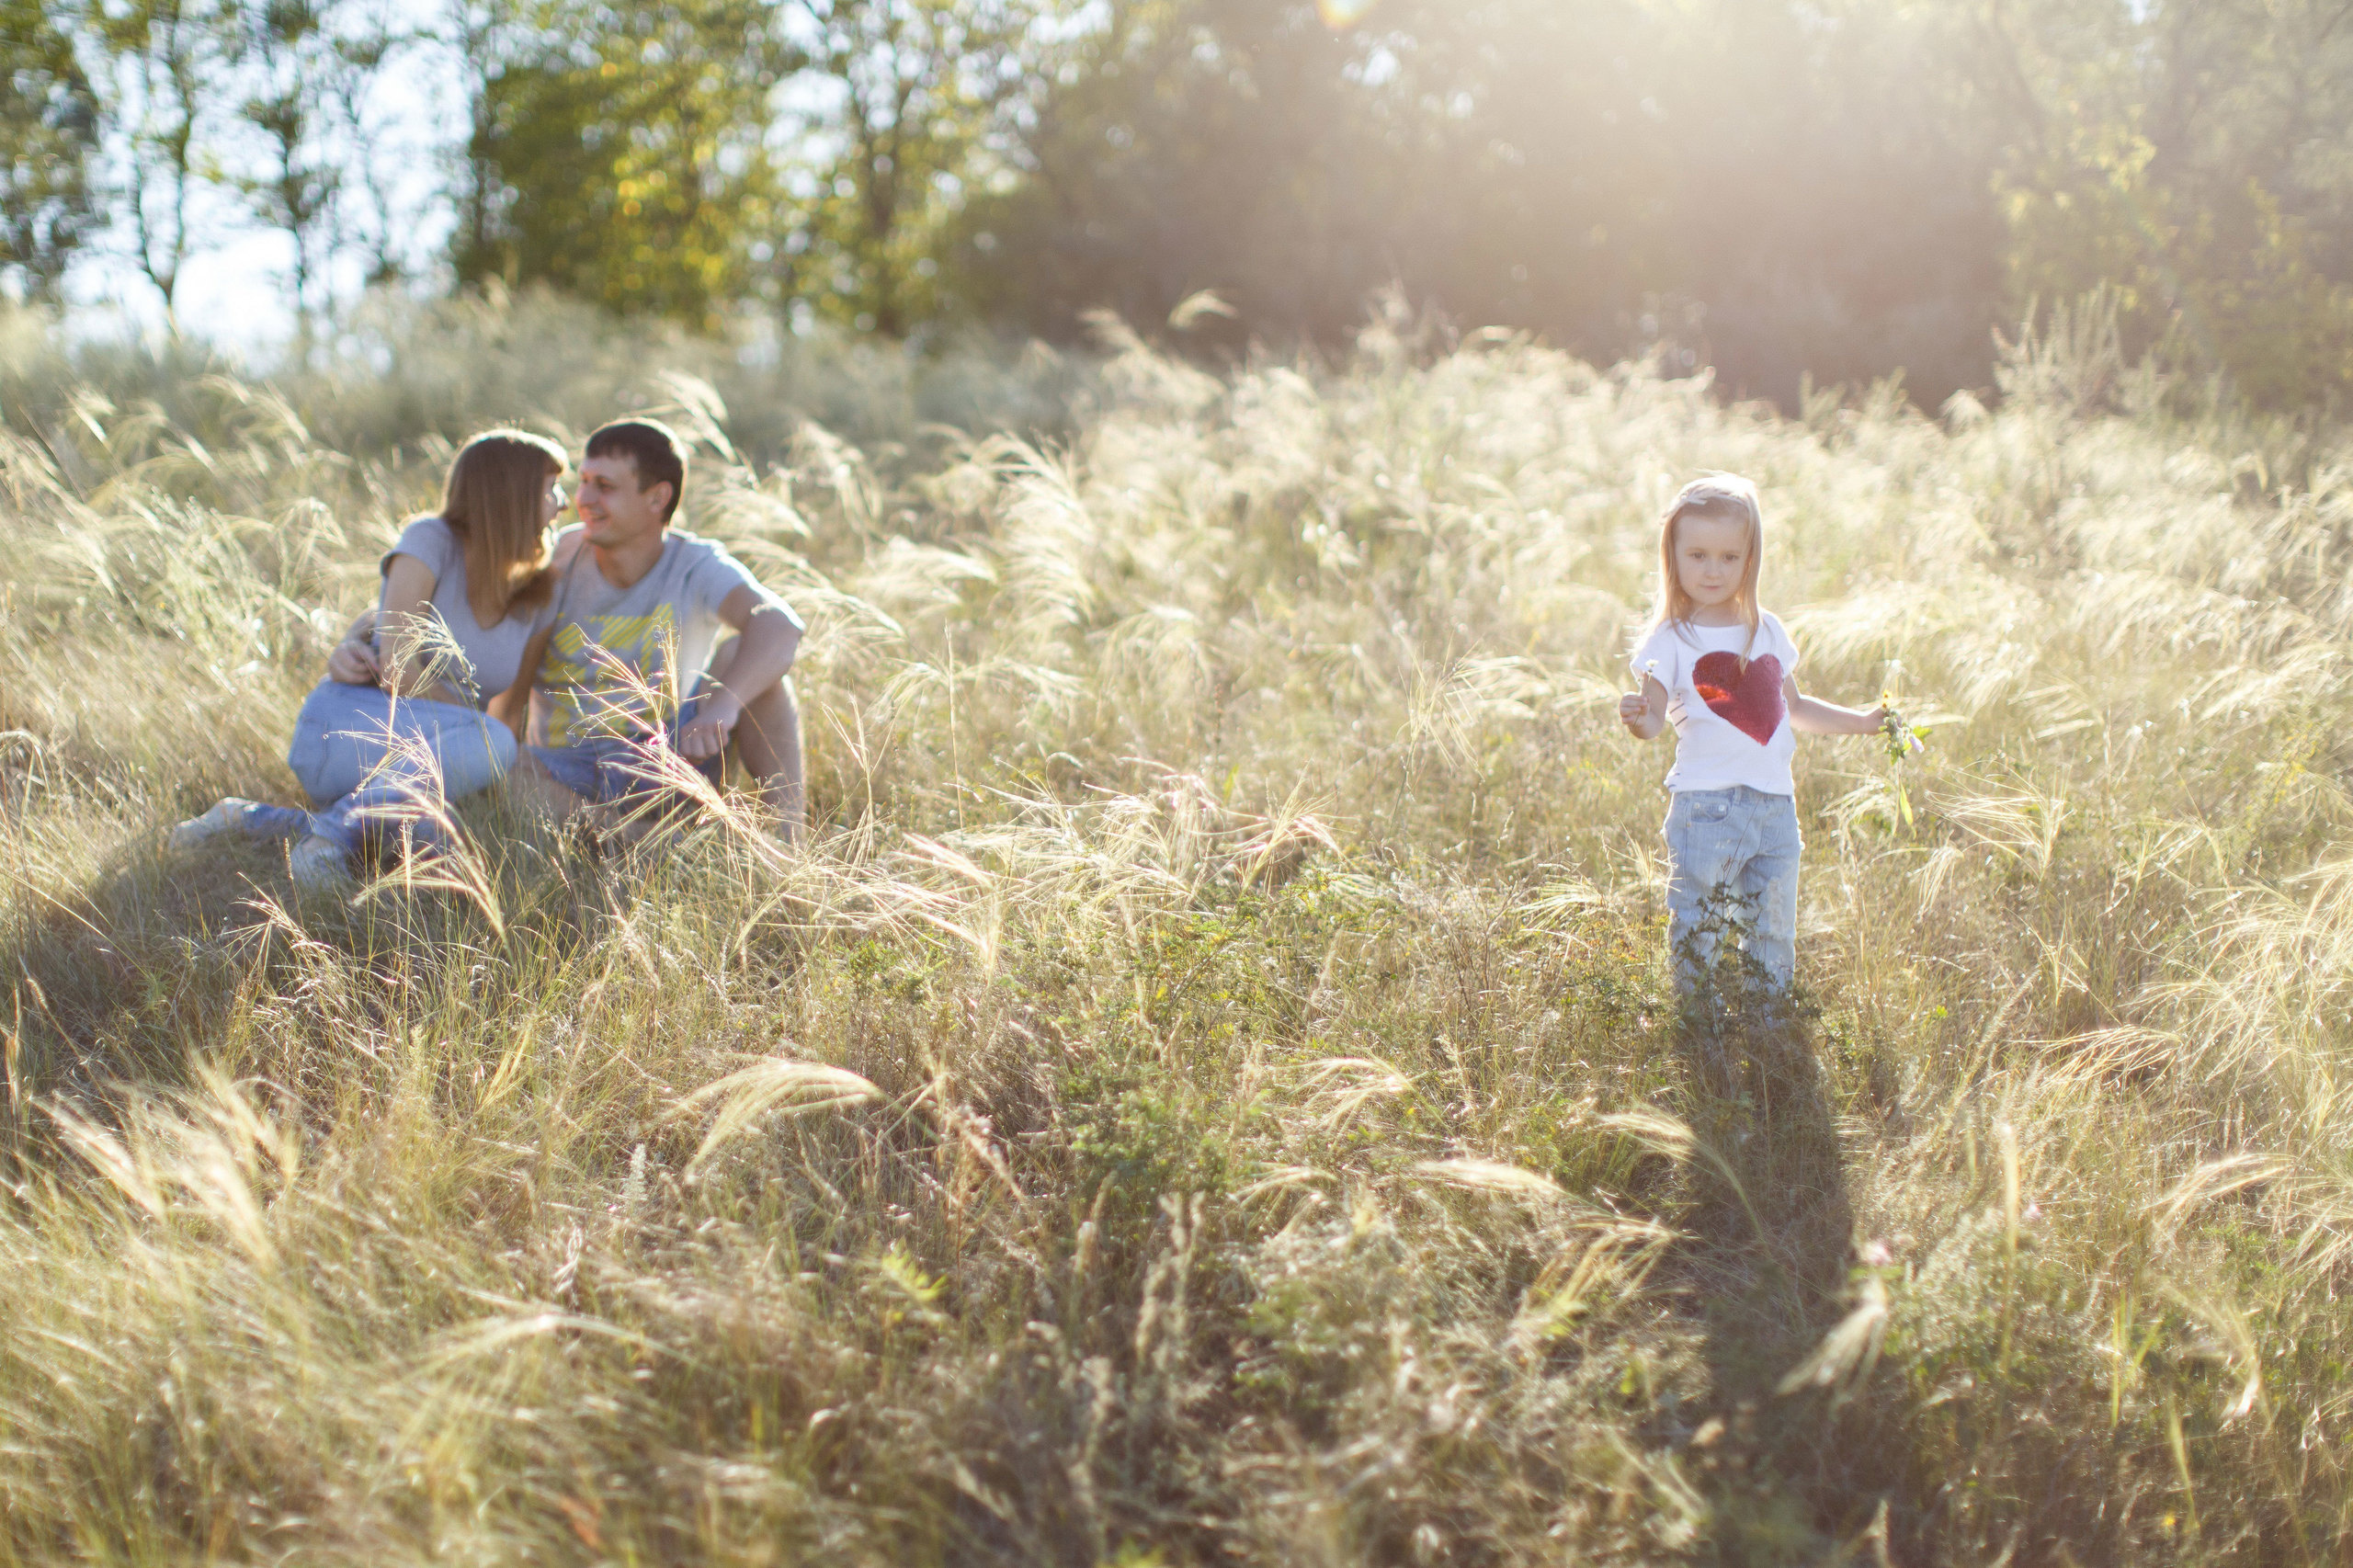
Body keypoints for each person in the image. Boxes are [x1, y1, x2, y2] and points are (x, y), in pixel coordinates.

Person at [170, 429, 569, 887]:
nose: (561, 503)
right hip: (348, 731)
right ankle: (329, 838)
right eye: (549, 489)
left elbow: (510, 709)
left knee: (437, 837)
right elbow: (398, 668)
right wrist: (480, 733)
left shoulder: (541, 590)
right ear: (510, 496)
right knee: (491, 745)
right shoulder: (429, 541)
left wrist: (497, 764)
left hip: (440, 759)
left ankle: (244, 819)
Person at [1618, 474, 1887, 989]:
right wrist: (1638, 717)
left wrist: (1863, 722)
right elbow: (1654, 720)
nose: (1713, 570)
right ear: (1671, 555)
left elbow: (1797, 707)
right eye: (1697, 555)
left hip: (1775, 811)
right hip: (1705, 809)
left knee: (1772, 937)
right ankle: (1702, 1037)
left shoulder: (1766, 630)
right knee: (1699, 935)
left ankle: (1770, 1040)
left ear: (1750, 559)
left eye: (1729, 557)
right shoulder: (1670, 639)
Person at [482, 417, 804, 838]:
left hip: (668, 759)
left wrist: (724, 708)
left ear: (657, 498)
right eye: (583, 482)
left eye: (605, 486)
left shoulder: (695, 563)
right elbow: (509, 691)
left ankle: (786, 846)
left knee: (753, 665)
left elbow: (780, 626)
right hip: (567, 771)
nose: (584, 499)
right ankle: (639, 843)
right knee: (493, 762)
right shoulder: (556, 560)